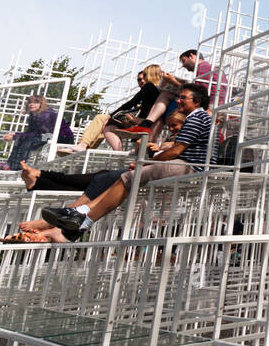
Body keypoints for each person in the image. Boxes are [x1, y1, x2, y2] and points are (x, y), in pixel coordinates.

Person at [37, 83, 213, 237]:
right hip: (184, 163)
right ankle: (77, 213)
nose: (179, 100)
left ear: (197, 102)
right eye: (179, 97)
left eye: (183, 98)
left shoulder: (197, 118)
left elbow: (176, 150)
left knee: (128, 178)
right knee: (111, 177)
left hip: (190, 166)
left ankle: (82, 222)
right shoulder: (195, 118)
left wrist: (146, 163)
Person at [103, 65, 170, 149]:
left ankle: (118, 153)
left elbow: (131, 102)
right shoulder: (162, 90)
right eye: (139, 79)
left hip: (144, 121)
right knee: (145, 146)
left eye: (145, 75)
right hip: (156, 122)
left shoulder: (149, 86)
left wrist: (111, 115)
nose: (143, 79)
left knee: (108, 127)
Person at [0, 95, 73, 169]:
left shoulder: (46, 114)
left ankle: (17, 167)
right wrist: (16, 135)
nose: (32, 104)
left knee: (29, 140)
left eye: (36, 102)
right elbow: (31, 132)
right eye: (30, 102)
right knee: (22, 139)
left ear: (41, 104)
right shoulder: (33, 114)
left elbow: (40, 134)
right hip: (48, 135)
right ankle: (10, 164)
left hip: (62, 137)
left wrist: (16, 136)